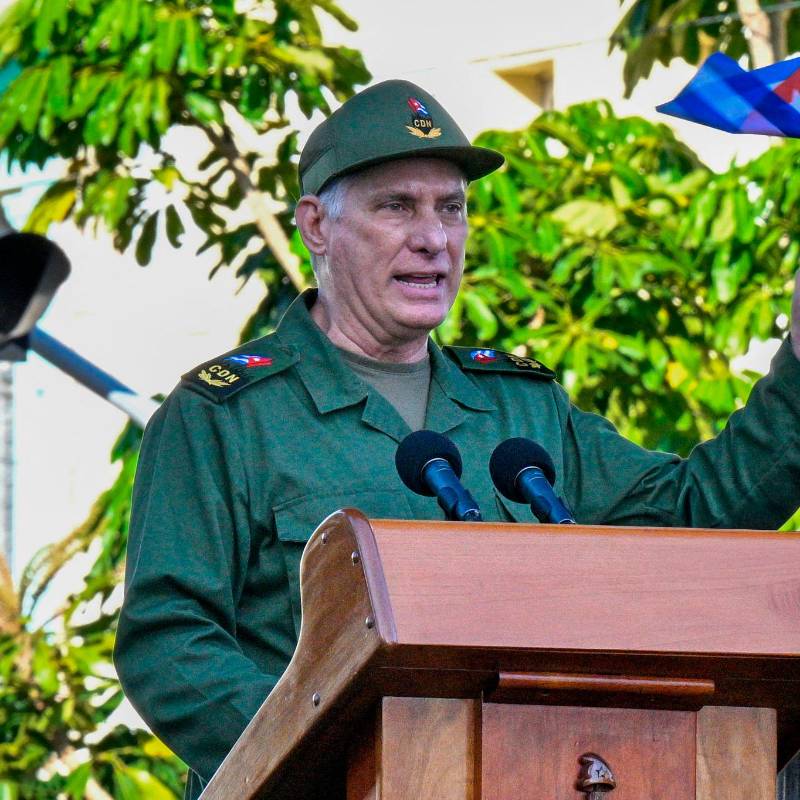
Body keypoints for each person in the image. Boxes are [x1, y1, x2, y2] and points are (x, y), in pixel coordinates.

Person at [114, 80, 800, 798]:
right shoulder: (227, 415)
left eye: (452, 208)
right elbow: (169, 645)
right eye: (396, 207)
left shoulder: (522, 410)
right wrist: (339, 757)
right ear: (316, 225)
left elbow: (690, 520)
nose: (433, 238)